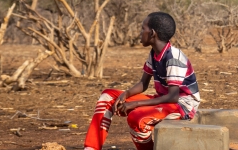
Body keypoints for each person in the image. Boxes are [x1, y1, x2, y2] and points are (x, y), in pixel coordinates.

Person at [84, 12, 201, 150]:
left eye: (142, 28)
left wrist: (136, 103)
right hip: (164, 99)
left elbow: (173, 97)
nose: (140, 33)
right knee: (108, 96)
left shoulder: (174, 57)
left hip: (182, 105)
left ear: (152, 33)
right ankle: (91, 148)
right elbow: (143, 84)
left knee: (137, 118)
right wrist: (126, 94)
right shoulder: (154, 53)